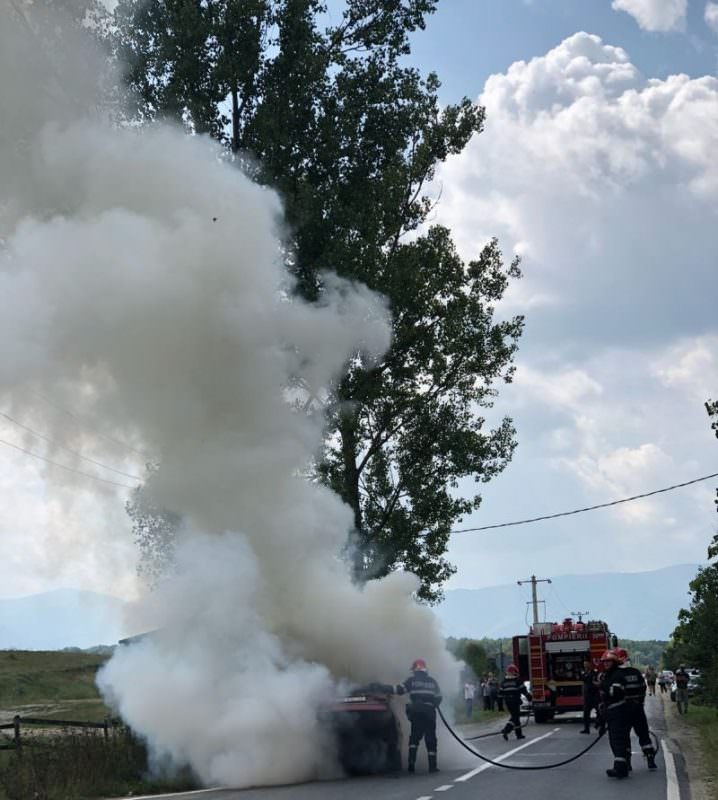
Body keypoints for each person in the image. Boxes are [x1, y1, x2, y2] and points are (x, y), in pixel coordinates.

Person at [599, 648, 657, 779]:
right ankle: (650, 759)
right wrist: (639, 703)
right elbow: (643, 688)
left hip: (621, 710)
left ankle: (626, 764)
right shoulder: (636, 672)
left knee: (621, 738)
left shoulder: (616, 674)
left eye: (608, 661)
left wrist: (603, 687)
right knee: (643, 734)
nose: (606, 664)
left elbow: (614, 693)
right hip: (637, 708)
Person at [396, 658, 442, 773]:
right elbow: (439, 696)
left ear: (414, 669)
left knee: (414, 738)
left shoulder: (411, 680)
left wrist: (383, 688)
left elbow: (399, 690)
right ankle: (432, 767)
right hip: (430, 713)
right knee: (430, 738)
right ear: (425, 669)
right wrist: (434, 704)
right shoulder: (432, 681)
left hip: (416, 712)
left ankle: (411, 764)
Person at [499, 664, 532, 741]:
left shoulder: (503, 682)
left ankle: (519, 734)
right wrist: (529, 697)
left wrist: (500, 706)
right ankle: (506, 730)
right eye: (515, 672)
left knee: (515, 717)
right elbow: (523, 690)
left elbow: (500, 695)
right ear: (513, 672)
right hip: (515, 701)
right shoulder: (517, 681)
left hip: (508, 702)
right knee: (515, 717)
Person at [580, 658, 601, 734]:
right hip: (587, 696)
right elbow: (583, 679)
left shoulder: (595, 672)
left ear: (590, 664)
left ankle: (600, 725)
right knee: (586, 714)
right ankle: (586, 729)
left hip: (595, 695)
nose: (585, 665)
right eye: (584, 664)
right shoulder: (583, 673)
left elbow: (597, 680)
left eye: (587, 664)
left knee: (599, 712)